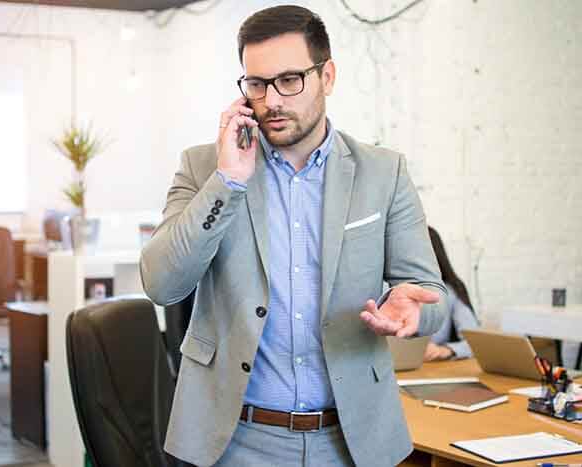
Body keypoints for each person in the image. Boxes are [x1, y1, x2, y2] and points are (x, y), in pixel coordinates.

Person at [140, 5, 447, 467]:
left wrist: (412, 311)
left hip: (350, 439)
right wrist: (228, 181)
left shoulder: (384, 173)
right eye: (257, 84)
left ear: (327, 76)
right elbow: (162, 284)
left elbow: (432, 295)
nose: (271, 101)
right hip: (234, 439)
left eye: (289, 80)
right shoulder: (205, 166)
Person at [424, 226, 480, 361]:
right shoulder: (386, 289)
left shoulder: (452, 291)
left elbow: (475, 343)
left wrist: (445, 350)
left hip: (433, 370)